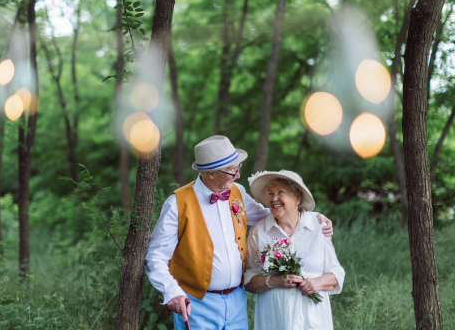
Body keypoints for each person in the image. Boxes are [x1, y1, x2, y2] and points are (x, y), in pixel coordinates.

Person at [145, 136, 334, 329]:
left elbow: (266, 215)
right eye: (232, 171)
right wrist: (172, 291)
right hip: (197, 303)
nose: (237, 175)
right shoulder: (177, 203)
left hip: (236, 301)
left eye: (238, 168)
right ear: (210, 173)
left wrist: (312, 217)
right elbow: (155, 256)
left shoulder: (237, 192)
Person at [244, 170, 345, 330]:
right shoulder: (259, 231)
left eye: (280, 192)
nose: (273, 198)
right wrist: (275, 281)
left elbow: (337, 273)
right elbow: (247, 280)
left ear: (297, 198)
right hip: (275, 318)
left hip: (312, 320)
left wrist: (316, 283)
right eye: (270, 194)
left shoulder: (318, 226)